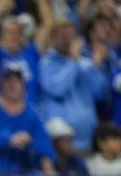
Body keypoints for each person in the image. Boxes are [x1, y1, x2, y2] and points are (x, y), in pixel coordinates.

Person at [0, 64, 56, 176]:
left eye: (17, 80)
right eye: (8, 80)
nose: (12, 84)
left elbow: (43, 146)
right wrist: (10, 140)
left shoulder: (32, 114)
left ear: (23, 85)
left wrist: (48, 169)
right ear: (1, 84)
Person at [38, 20, 107, 153]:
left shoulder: (85, 63)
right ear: (53, 38)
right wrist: (73, 61)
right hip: (60, 141)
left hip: (87, 139)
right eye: (63, 36)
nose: (68, 40)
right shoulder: (46, 63)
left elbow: (98, 93)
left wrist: (95, 67)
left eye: (71, 36)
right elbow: (57, 89)